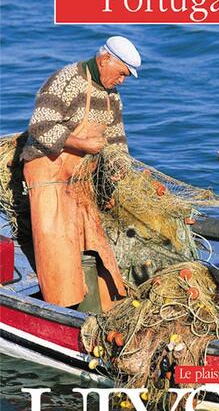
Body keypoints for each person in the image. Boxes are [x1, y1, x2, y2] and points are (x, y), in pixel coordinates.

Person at [20, 36, 141, 310]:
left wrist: (119, 168)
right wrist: (81, 143)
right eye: (122, 73)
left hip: (80, 180)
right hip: (47, 174)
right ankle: (63, 311)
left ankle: (102, 309)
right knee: (58, 247)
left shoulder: (112, 97)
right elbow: (39, 127)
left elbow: (117, 141)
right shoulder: (66, 79)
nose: (122, 81)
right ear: (104, 60)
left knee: (94, 243)